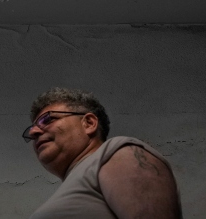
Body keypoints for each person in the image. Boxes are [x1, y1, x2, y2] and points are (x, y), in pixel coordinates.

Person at [24, 87, 182, 219]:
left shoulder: (118, 151)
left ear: (89, 123)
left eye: (47, 120)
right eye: (31, 129)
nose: (34, 132)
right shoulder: (71, 187)